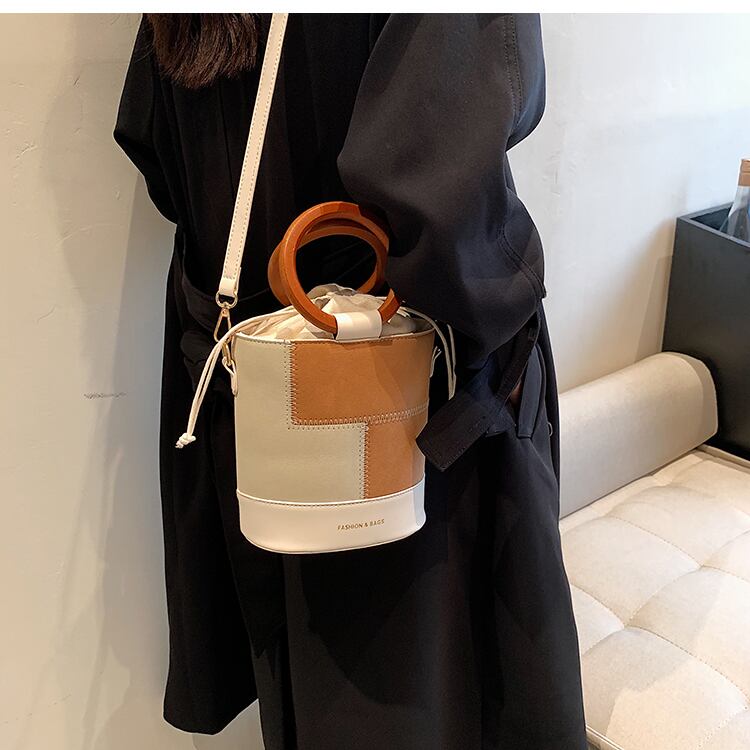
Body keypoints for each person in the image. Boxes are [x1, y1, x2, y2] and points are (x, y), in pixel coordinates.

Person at [114, 13, 587, 750]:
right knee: (419, 700)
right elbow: (433, 182)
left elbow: (155, 144)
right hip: (404, 400)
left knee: (310, 691)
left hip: (260, 395)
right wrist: (511, 297)